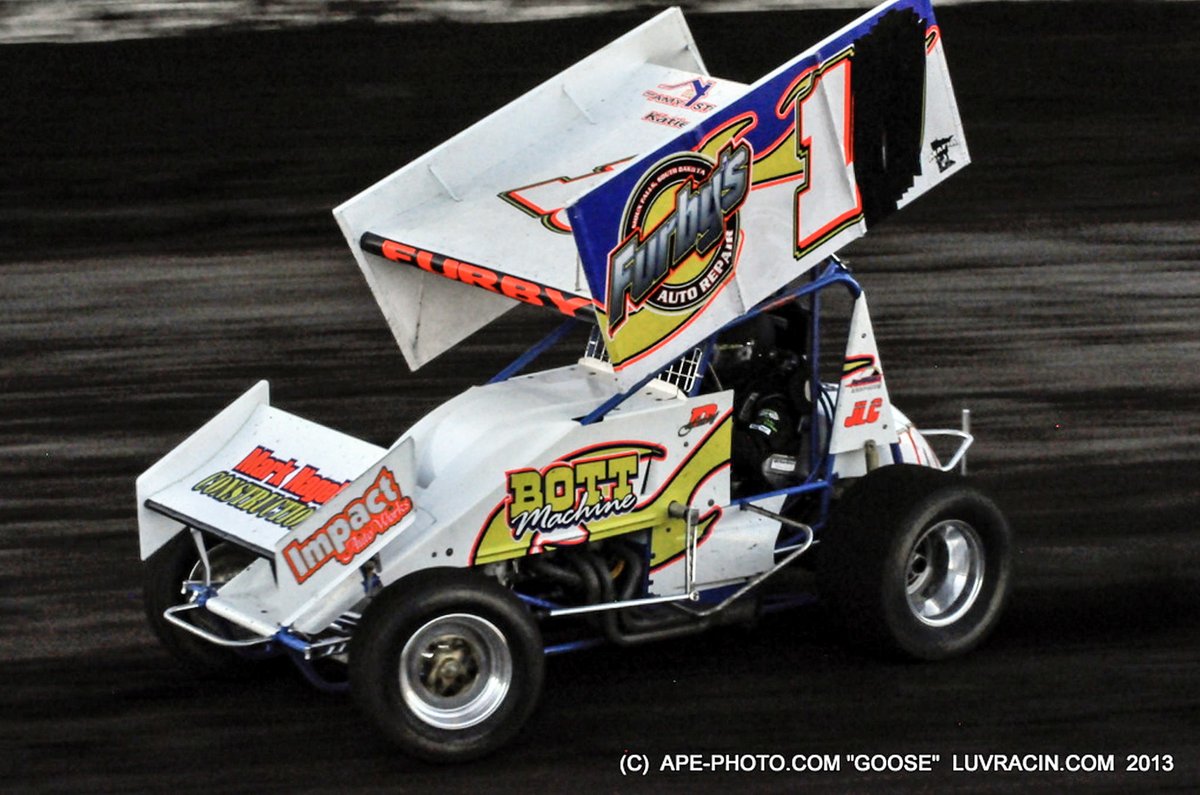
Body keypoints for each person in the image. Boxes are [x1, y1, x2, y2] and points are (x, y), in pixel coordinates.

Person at [708, 304, 810, 495]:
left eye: (727, 355)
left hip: (755, 493)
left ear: (751, 353)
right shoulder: (718, 384)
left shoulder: (775, 394)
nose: (717, 364)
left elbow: (756, 452)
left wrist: (703, 433)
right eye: (715, 356)